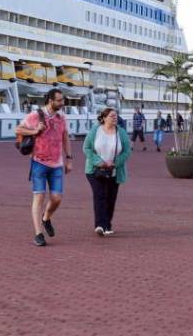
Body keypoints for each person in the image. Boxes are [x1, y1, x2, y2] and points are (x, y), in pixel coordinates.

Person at [16, 89, 72, 247]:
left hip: (57, 164)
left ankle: (46, 217)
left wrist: (69, 158)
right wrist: (34, 130)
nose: (62, 103)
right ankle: (38, 234)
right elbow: (18, 129)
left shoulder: (62, 118)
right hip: (39, 162)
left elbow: (65, 138)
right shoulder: (35, 115)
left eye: (63, 100)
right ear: (50, 100)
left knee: (57, 198)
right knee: (38, 197)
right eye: (59, 100)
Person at [83, 106, 131, 236]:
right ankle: (99, 225)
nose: (115, 118)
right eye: (112, 116)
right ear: (104, 118)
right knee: (100, 195)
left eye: (116, 116)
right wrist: (99, 161)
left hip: (114, 171)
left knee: (111, 198)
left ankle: (107, 224)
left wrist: (115, 163)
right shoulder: (95, 130)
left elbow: (127, 151)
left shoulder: (121, 132)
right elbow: (86, 147)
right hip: (95, 170)